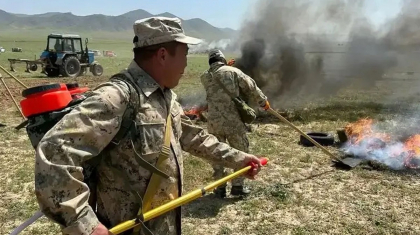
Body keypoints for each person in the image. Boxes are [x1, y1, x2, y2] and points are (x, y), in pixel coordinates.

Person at [34, 17, 264, 235]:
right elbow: (54, 152)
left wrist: (239, 159)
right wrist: (83, 224)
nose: (186, 63)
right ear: (163, 55)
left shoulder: (166, 97)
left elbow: (194, 137)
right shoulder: (117, 97)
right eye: (184, 54)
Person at [200, 49, 269, 198]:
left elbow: (218, 77)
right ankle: (237, 187)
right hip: (233, 122)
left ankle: (219, 187)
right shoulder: (233, 71)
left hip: (213, 123)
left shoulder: (205, 76)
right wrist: (263, 102)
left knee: (217, 153)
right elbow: (250, 86)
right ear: (223, 60)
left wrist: (228, 68)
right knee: (240, 152)